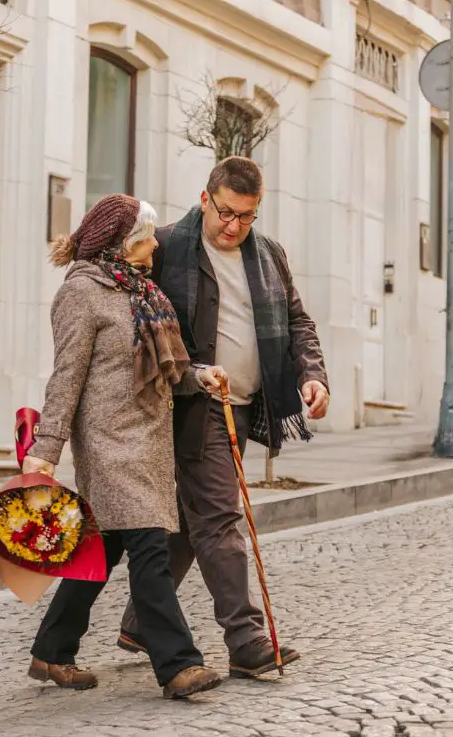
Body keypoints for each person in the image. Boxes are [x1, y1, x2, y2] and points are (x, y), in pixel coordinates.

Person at [118, 157, 329, 679]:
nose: (233, 226)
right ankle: (246, 638)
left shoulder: (268, 254)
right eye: (226, 213)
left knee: (193, 521)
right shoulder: (166, 247)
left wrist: (312, 374)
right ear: (205, 197)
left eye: (247, 216)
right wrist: (192, 372)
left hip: (242, 406)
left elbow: (297, 320)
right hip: (190, 405)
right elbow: (138, 326)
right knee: (219, 517)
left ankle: (142, 620)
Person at [22, 193, 228, 700]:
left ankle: (52, 651)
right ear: (118, 243)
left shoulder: (140, 290)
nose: (153, 247)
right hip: (109, 443)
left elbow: (165, 368)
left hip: (149, 441)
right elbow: (66, 378)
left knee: (99, 550)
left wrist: (199, 377)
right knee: (151, 550)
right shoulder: (81, 294)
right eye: (143, 239)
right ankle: (178, 664)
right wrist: (45, 450)